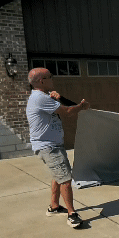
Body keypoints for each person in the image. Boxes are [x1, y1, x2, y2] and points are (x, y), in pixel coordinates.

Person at [26, 68, 90, 228]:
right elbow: (67, 111)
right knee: (66, 180)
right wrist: (81, 107)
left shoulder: (43, 97)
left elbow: (62, 107)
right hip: (48, 146)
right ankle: (72, 214)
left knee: (58, 175)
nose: (52, 80)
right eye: (50, 77)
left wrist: (60, 97)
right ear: (42, 81)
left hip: (51, 145)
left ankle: (54, 206)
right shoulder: (40, 98)